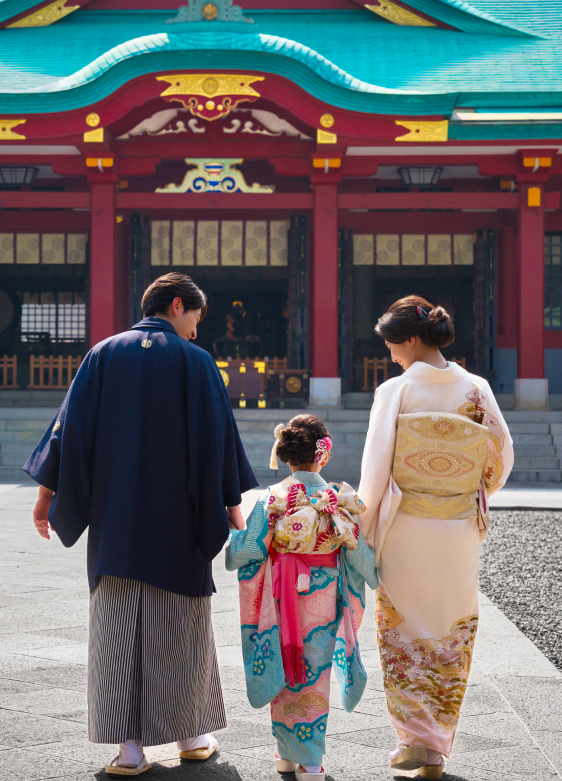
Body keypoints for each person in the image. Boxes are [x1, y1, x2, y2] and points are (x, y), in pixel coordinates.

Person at [24, 272, 257, 776]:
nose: (196, 328)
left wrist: (47, 496)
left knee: (118, 628)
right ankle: (191, 735)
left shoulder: (103, 354)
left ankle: (128, 749)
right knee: (179, 627)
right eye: (196, 315)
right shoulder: (196, 362)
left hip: (117, 522)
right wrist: (231, 504)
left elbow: (69, 429)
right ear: (178, 306)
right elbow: (220, 438)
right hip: (180, 520)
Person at [357, 296, 514, 779]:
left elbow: (376, 469)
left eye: (391, 345)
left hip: (407, 526)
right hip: (459, 530)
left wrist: (360, 531)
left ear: (409, 339)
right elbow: (501, 459)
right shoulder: (476, 388)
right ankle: (436, 748)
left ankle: (413, 737)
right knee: (451, 626)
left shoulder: (396, 391)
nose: (390, 356)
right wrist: (472, 489)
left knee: (402, 628)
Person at [225, 415, 378, 781]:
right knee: (314, 673)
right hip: (323, 599)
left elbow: (245, 552)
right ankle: (309, 762)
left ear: (287, 456)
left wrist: (231, 541)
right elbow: (360, 558)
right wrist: (372, 572)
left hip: (281, 596)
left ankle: (286, 754)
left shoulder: (272, 498)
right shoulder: (338, 499)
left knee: (284, 663)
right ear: (322, 454)